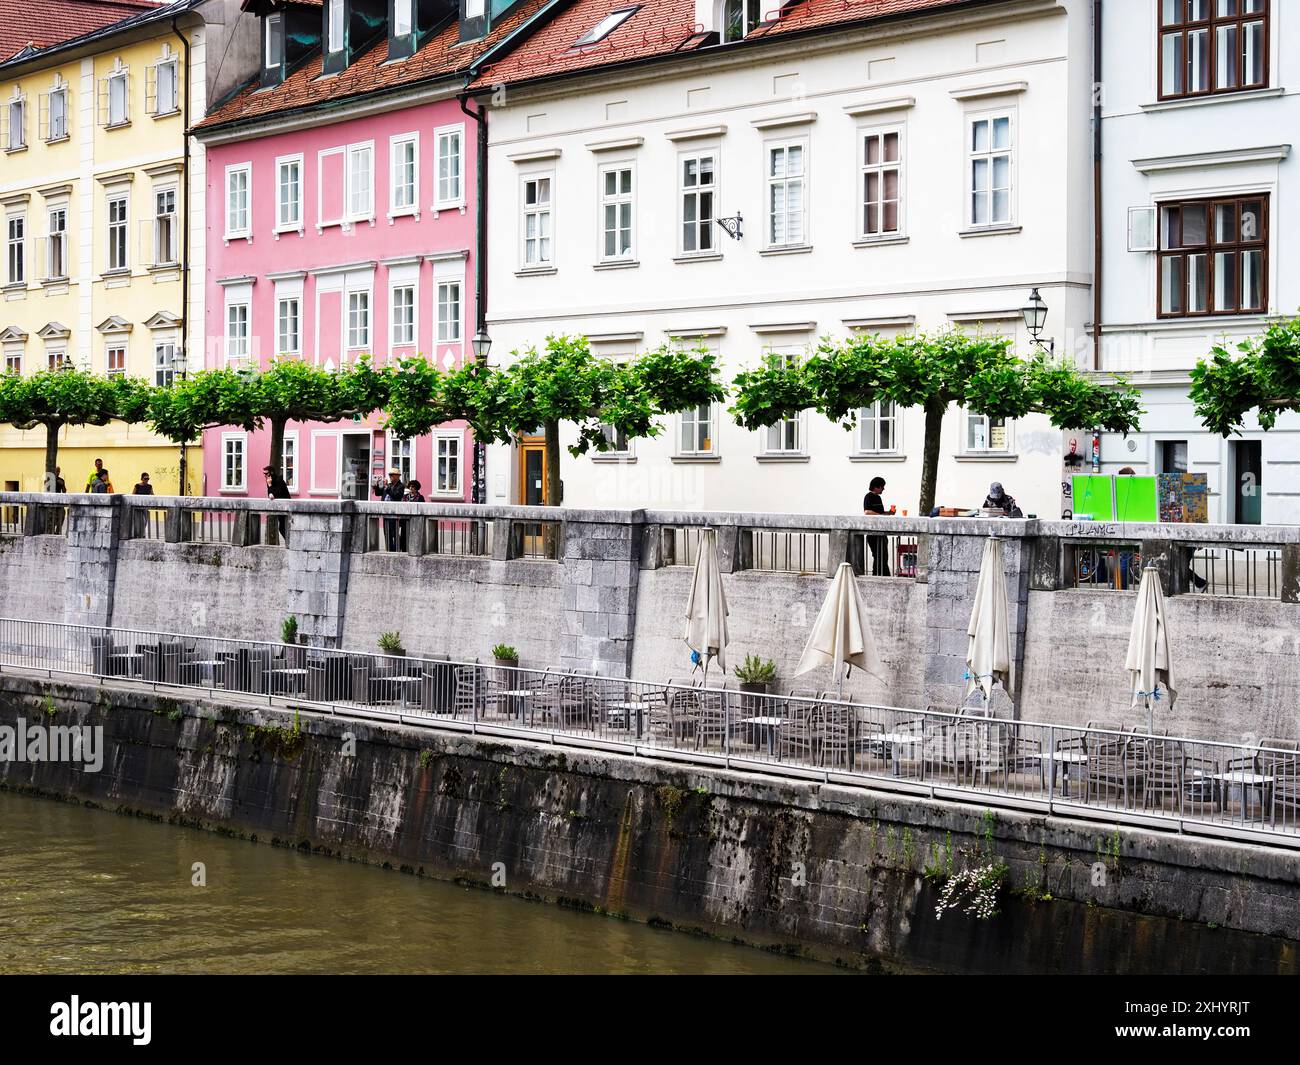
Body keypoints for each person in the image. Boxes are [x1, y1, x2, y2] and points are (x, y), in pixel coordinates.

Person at [862, 476, 894, 576]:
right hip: (873, 532)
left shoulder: (878, 498)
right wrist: (881, 515)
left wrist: (888, 513)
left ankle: (883, 575)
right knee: (878, 555)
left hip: (881, 531)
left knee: (883, 555)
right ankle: (878, 575)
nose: (883, 489)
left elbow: (878, 513)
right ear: (876, 487)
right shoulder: (868, 496)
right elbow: (867, 512)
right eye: (882, 487)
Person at [375, 468, 406, 551]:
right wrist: (378, 485)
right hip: (386, 512)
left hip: (394, 513)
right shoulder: (389, 485)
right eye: (390, 475)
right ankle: (389, 549)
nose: (390, 476)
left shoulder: (400, 486)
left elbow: (396, 496)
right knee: (387, 533)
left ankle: (396, 550)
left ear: (397, 476)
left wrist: (386, 487)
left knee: (394, 533)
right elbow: (378, 493)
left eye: (392, 475)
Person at [264, 464, 291, 544]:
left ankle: (290, 542)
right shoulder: (270, 481)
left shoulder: (279, 480)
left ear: (271, 472)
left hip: (286, 507)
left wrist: (270, 486)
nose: (265, 476)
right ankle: (289, 542)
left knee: (283, 527)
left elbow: (275, 494)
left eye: (266, 473)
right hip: (280, 508)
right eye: (264, 474)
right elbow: (269, 495)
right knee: (282, 528)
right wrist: (269, 486)